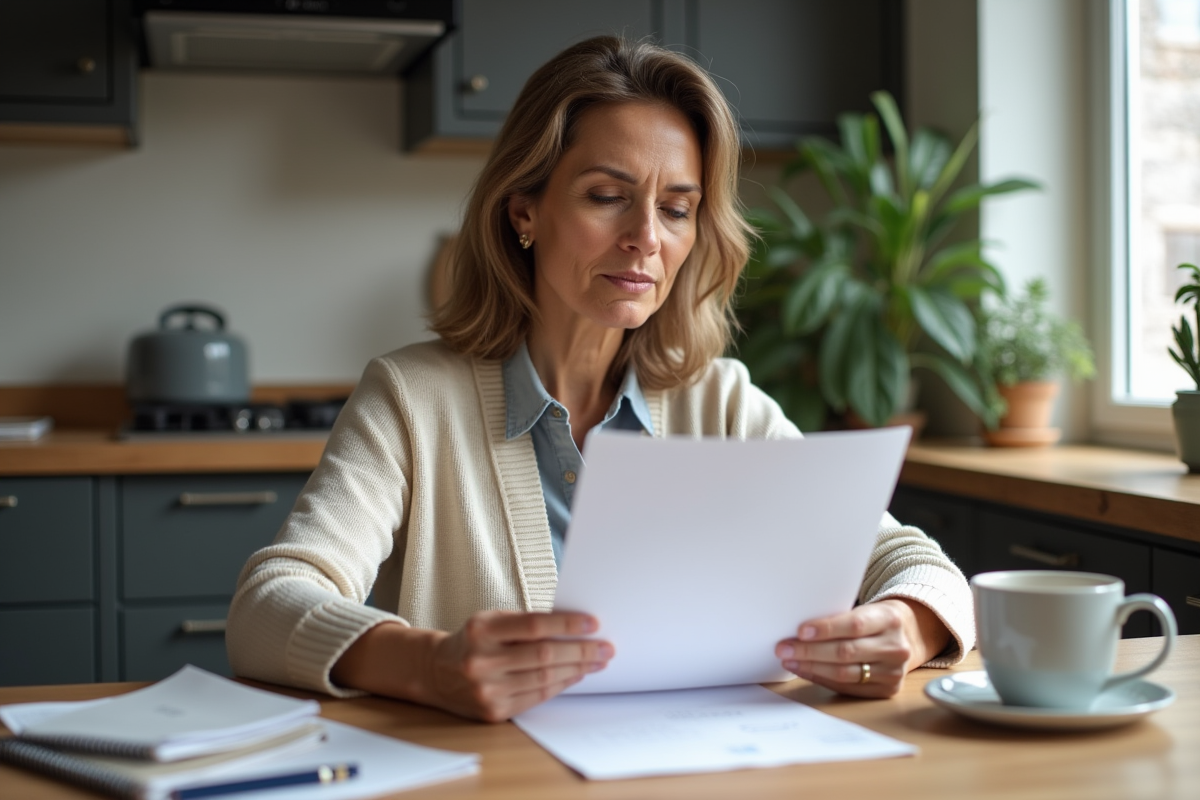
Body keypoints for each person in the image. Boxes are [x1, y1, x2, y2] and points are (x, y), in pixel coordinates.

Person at [227, 36, 974, 723]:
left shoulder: (722, 404)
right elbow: (268, 608)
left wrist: (903, 628)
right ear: (525, 210)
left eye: (677, 209)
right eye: (606, 196)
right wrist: (430, 664)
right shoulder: (410, 399)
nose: (645, 238)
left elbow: (916, 564)